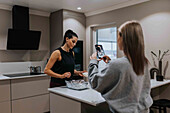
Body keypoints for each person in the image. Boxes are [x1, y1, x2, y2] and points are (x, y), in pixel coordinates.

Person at [88, 20, 153, 113]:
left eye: (118, 35)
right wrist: (110, 62)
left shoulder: (118, 65)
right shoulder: (144, 62)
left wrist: (93, 61)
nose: (117, 39)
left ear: (124, 38)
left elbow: (95, 82)